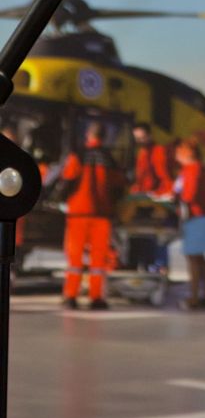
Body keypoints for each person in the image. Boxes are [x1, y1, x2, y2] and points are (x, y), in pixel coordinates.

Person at [59, 122, 126, 311]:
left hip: (78, 213)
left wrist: (62, 198)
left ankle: (71, 296)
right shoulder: (110, 159)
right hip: (102, 214)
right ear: (104, 137)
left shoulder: (78, 155)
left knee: (75, 258)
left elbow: (68, 180)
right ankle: (97, 297)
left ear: (88, 134)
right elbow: (119, 187)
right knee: (99, 259)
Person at [172, 138, 205, 309]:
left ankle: (194, 297)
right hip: (203, 216)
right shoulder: (200, 169)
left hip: (194, 217)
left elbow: (189, 194)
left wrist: (177, 200)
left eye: (179, 152)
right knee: (200, 258)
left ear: (187, 154)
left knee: (193, 258)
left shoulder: (192, 169)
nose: (176, 156)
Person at [132, 123, 172, 196]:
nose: (140, 141)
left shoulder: (158, 151)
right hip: (143, 192)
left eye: (143, 137)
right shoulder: (142, 151)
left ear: (150, 135)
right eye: (137, 139)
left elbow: (164, 176)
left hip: (155, 194)